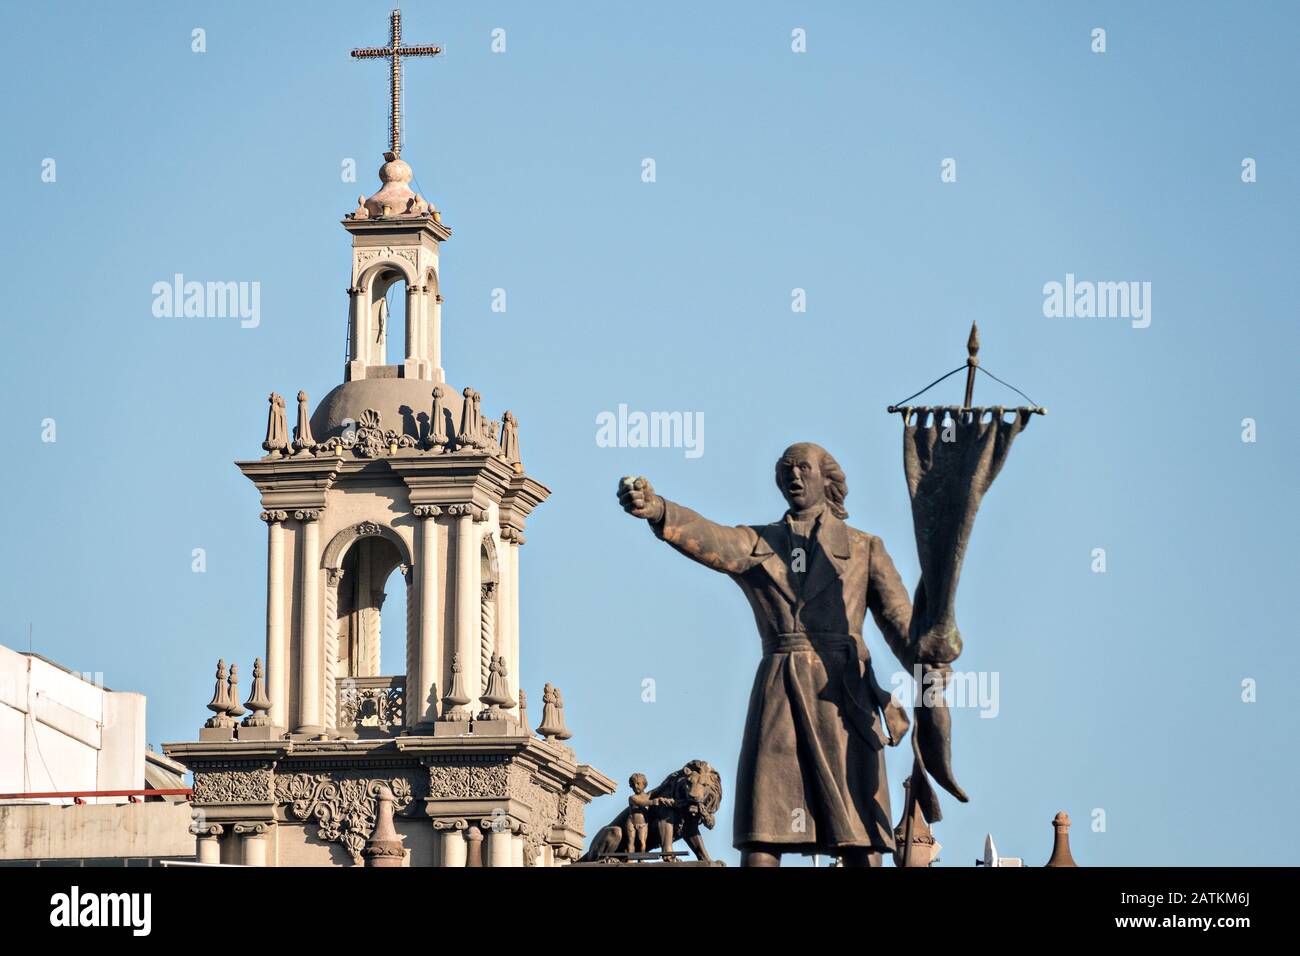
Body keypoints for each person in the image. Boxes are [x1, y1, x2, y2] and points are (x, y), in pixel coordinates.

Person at [616, 443, 915, 867]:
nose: (794, 476)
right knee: (764, 830)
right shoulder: (760, 543)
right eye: (786, 470)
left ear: (827, 479)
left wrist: (933, 649)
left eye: (803, 468)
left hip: (843, 695)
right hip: (782, 690)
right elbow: (711, 538)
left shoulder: (864, 548)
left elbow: (905, 628)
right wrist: (661, 509)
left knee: (861, 833)